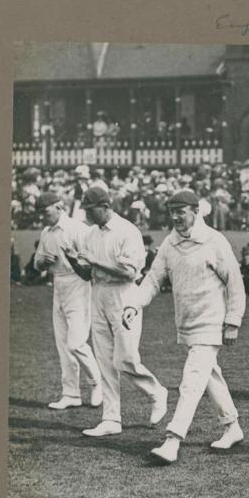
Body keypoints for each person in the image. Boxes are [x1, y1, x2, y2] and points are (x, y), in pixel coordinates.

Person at [120, 190, 246, 463]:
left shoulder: (215, 241)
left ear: (196, 211)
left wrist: (233, 321)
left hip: (211, 324)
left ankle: (172, 440)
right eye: (172, 212)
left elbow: (235, 282)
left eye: (181, 212)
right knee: (209, 375)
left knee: (191, 381)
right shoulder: (169, 243)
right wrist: (134, 304)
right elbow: (153, 279)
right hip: (187, 324)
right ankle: (232, 427)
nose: (176, 217)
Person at [66, 186, 169, 436]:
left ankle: (157, 393)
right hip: (98, 294)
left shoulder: (127, 231)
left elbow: (130, 272)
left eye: (91, 210)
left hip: (124, 296)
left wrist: (94, 261)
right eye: (86, 210)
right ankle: (111, 419)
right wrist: (71, 260)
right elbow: (88, 273)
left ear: (106, 206)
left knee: (125, 358)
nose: (88, 215)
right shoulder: (91, 234)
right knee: (104, 360)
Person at [32, 192, 103, 409]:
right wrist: (43, 262)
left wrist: (76, 261)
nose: (43, 217)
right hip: (58, 285)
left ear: (59, 207)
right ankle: (71, 393)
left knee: (76, 343)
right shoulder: (46, 232)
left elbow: (90, 261)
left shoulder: (77, 229)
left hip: (79, 285)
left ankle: (96, 383)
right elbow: (36, 264)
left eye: (45, 212)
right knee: (63, 344)